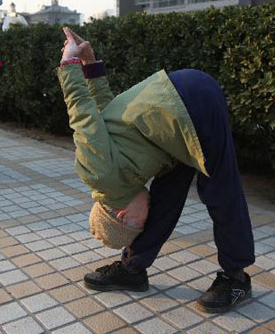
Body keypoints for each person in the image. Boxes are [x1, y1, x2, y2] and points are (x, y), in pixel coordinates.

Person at [57, 27, 255, 313]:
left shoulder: (98, 174)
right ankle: (132, 269)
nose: (145, 220)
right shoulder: (124, 177)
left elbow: (83, 113)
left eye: (139, 225)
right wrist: (92, 64)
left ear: (123, 215)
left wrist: (71, 64)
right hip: (173, 129)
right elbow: (104, 108)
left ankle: (236, 277)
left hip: (191, 103)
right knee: (165, 195)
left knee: (219, 191)